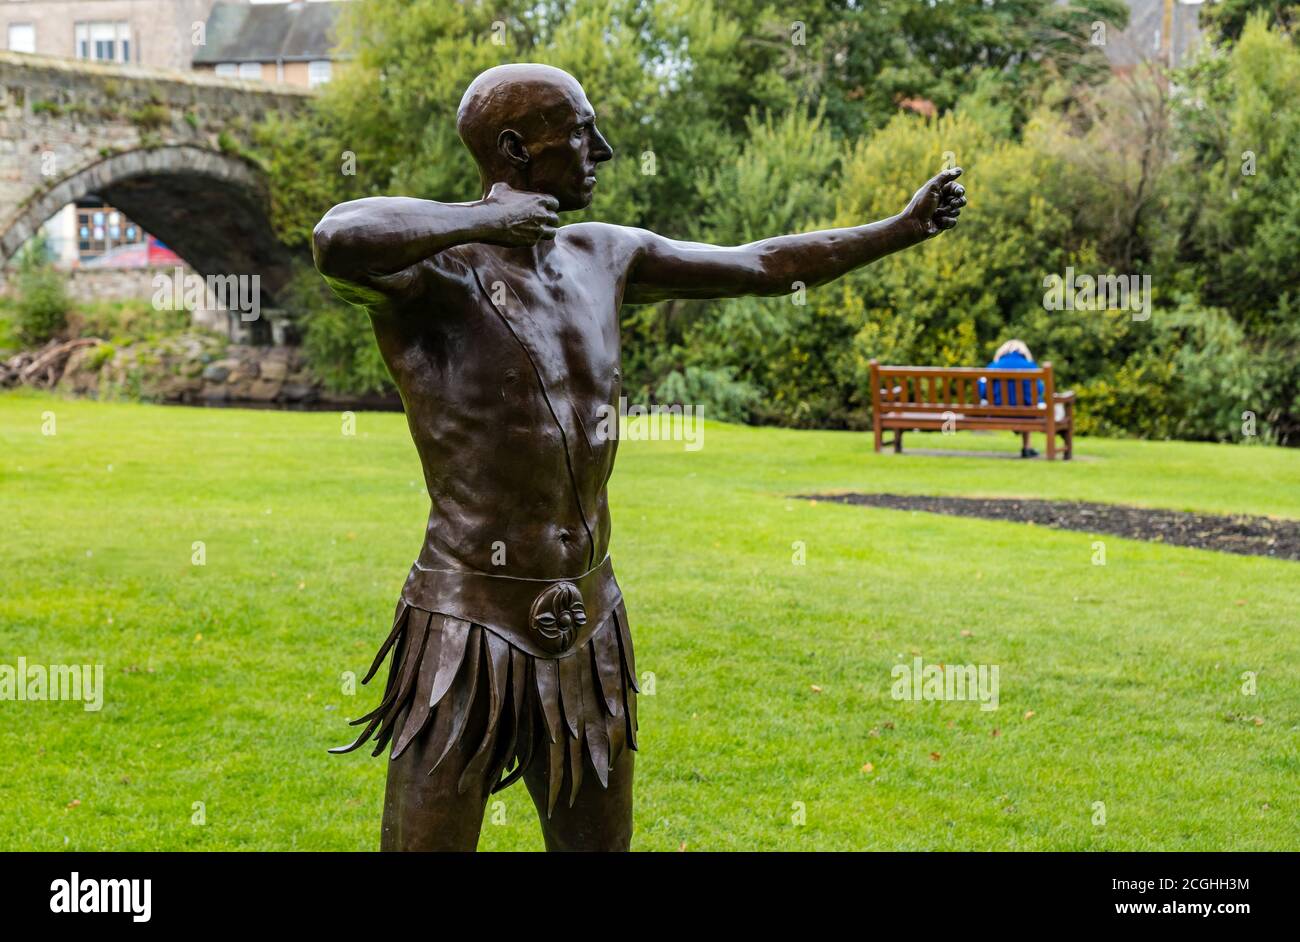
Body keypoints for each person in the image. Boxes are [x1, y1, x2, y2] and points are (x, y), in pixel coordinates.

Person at [312, 63, 966, 851]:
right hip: (468, 620)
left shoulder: (606, 255)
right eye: (582, 132)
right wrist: (482, 221)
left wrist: (901, 227)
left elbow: (763, 265)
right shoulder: (436, 272)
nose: (605, 149)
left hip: (587, 617)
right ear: (516, 150)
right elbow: (338, 237)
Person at [978, 339, 1062, 458]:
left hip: (997, 413)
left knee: (1026, 406)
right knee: (1028, 406)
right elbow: (1039, 390)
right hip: (1028, 413)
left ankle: (1027, 447)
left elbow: (983, 392)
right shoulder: (1030, 367)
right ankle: (1027, 448)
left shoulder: (993, 367)